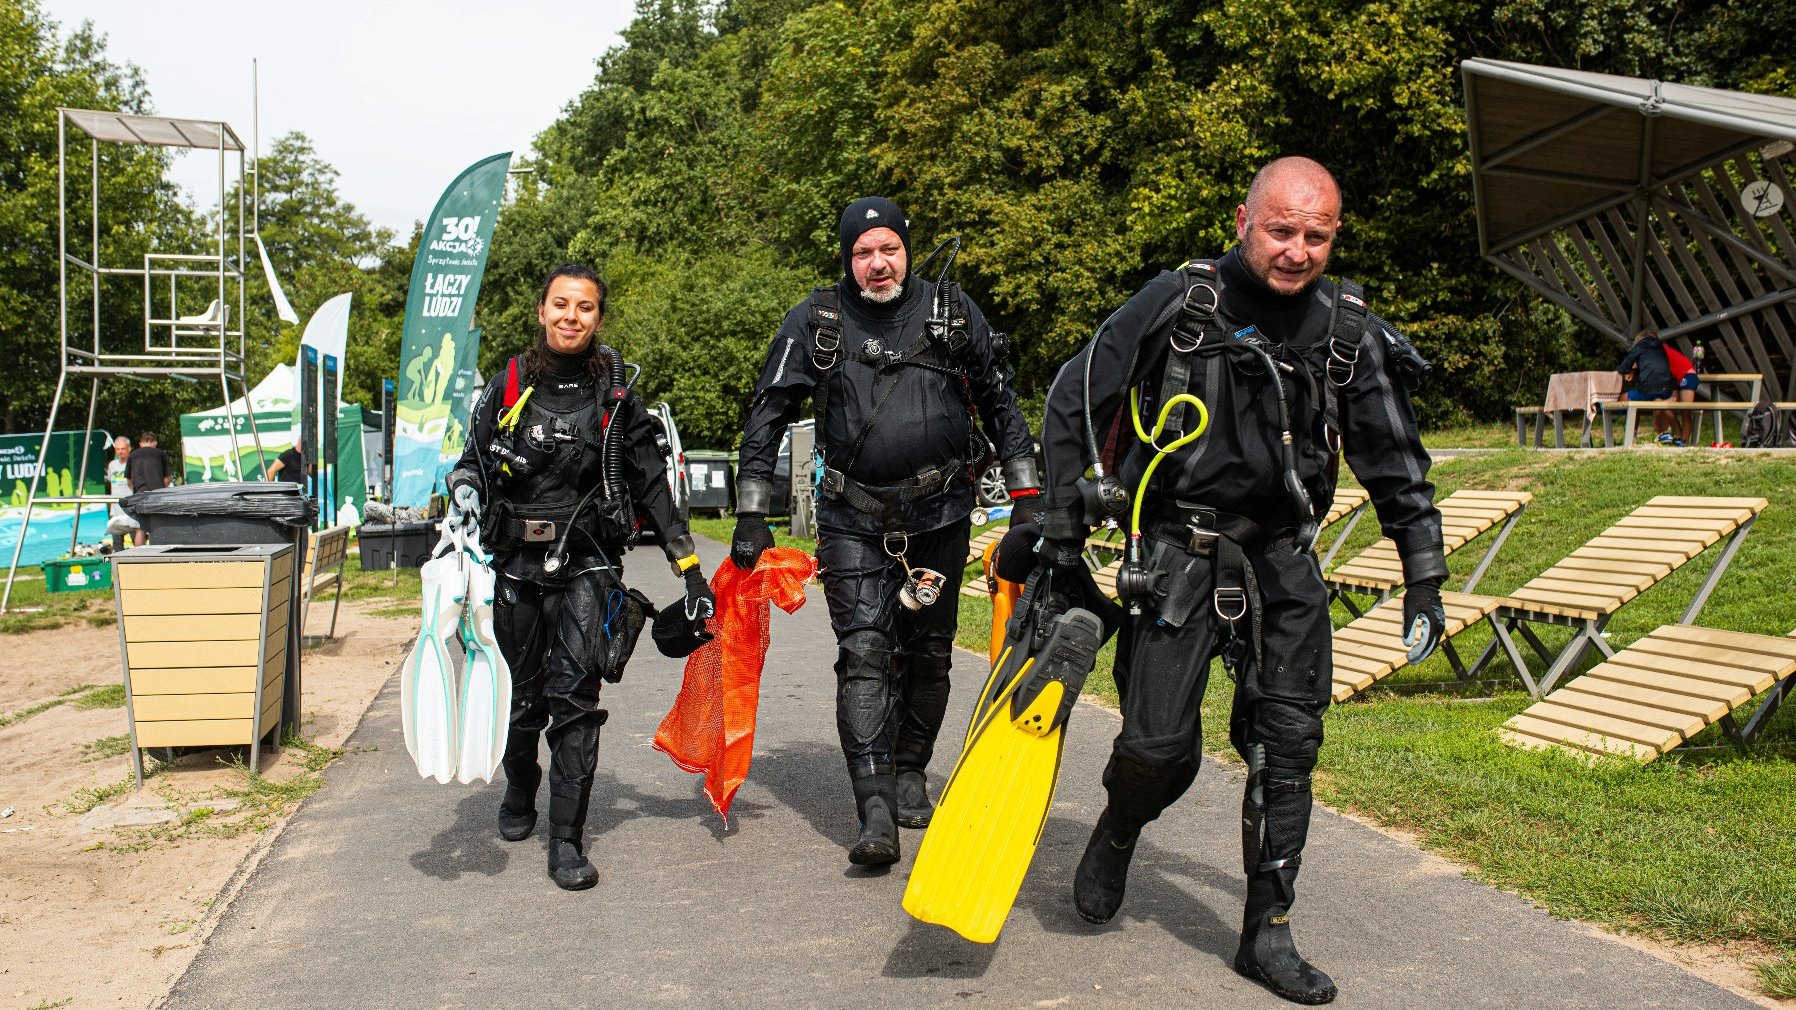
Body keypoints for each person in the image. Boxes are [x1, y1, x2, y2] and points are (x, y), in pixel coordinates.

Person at [1036, 157, 1446, 1005]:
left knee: (1288, 748)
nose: (1297, 250)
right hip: (1177, 550)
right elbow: (1074, 396)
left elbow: (1397, 463)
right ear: (1242, 220)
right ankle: (1119, 828)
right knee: (1155, 747)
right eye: (1282, 230)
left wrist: (1424, 576)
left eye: (1317, 236)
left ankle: (1268, 932)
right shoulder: (1179, 302)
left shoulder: (1347, 332)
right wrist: (1063, 529)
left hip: (1285, 558)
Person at [731, 197, 1039, 867]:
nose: (877, 264)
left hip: (942, 516)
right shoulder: (814, 321)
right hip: (851, 521)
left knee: (929, 651)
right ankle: (873, 810)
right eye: (863, 252)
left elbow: (998, 397)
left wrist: (1028, 498)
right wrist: (752, 510)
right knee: (866, 651)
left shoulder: (951, 312)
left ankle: (909, 770)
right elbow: (767, 414)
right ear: (848, 259)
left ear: (906, 249)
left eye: (888, 250)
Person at [444, 263, 714, 891]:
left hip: (588, 565)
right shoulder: (507, 386)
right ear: (541, 311)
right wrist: (463, 492)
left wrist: (691, 573)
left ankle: (566, 840)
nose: (572, 316)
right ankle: (520, 786)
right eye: (560, 305)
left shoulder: (616, 402)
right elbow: (471, 463)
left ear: (598, 317)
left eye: (585, 307)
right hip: (513, 566)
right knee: (521, 702)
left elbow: (651, 484)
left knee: (576, 703)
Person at [1615, 328, 1677, 445]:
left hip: (1649, 390)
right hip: (1668, 390)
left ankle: (1632, 435)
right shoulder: (1661, 347)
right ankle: (1664, 433)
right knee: (1658, 399)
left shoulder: (1640, 345)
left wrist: (1630, 369)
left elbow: (1623, 367)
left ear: (1640, 339)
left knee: (1625, 398)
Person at [125, 431, 172, 546]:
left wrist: (136, 489)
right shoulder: (161, 454)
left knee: (140, 528)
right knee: (159, 525)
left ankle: (139, 556)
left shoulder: (133, 455)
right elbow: (167, 478)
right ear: (154, 443)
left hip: (139, 494)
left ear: (141, 443)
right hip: (158, 494)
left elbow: (129, 481)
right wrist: (161, 488)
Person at [105, 435, 136, 552]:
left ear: (129, 448)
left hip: (131, 507)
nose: (120, 452)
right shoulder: (112, 465)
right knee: (117, 544)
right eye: (117, 449)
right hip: (115, 509)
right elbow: (110, 482)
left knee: (136, 540)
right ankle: (117, 569)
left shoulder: (134, 463)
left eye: (122, 449)